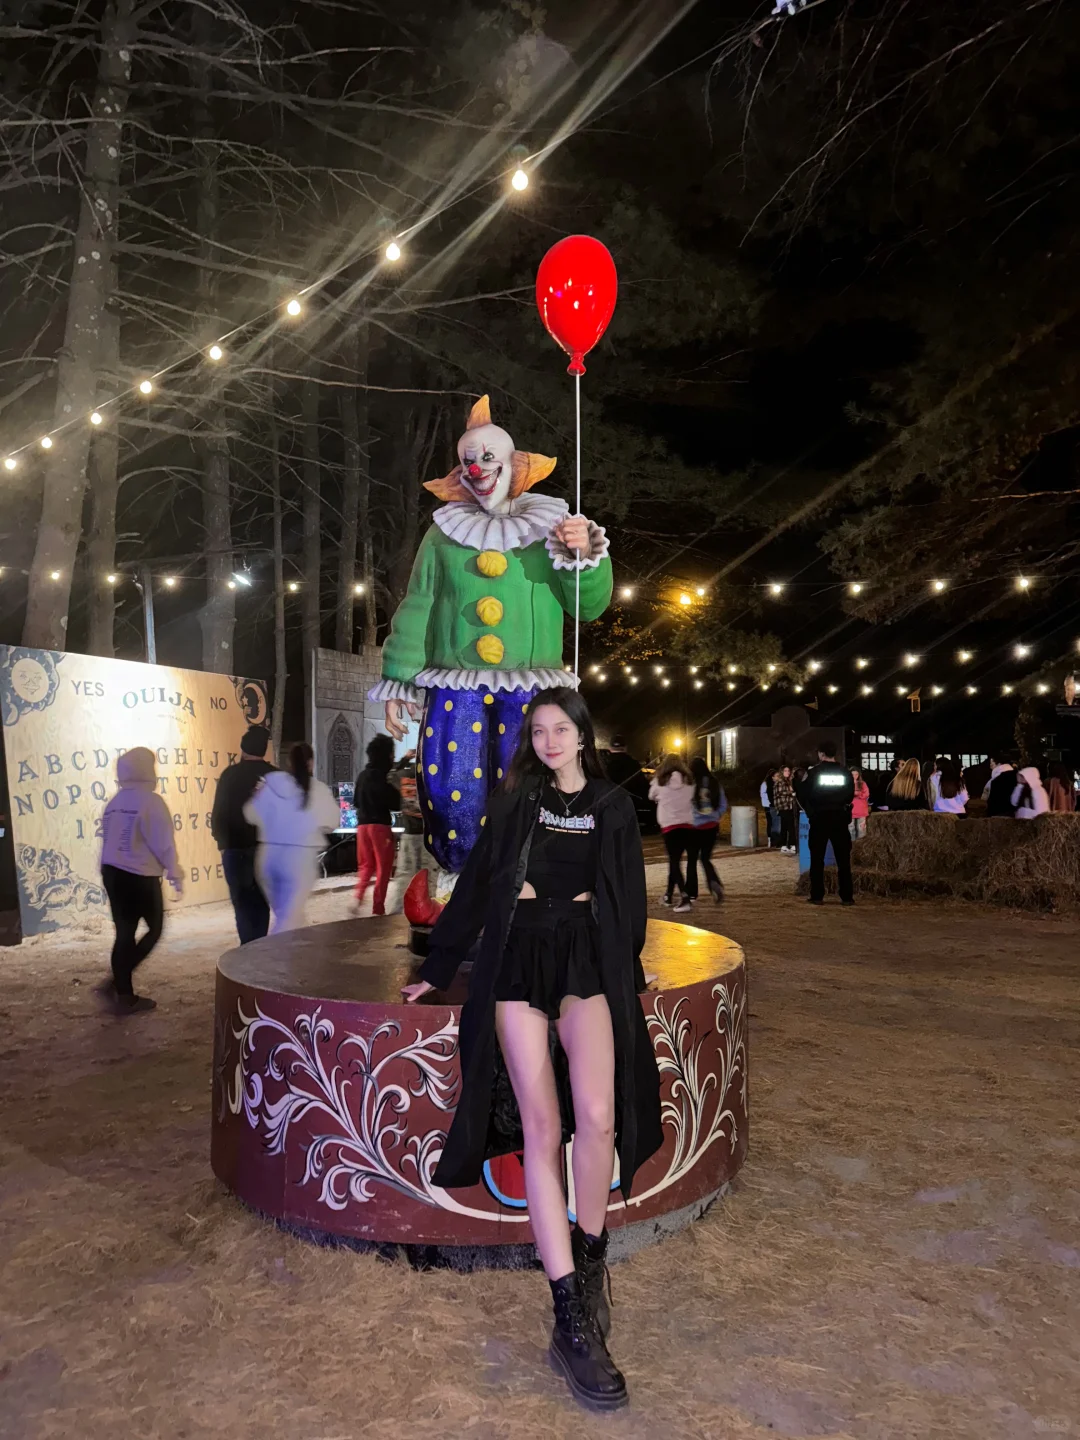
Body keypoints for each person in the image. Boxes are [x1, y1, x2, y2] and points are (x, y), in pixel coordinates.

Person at [400, 687, 662, 1411]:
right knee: (542, 1128)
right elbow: (483, 880)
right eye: (537, 730)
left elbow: (627, 899)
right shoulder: (517, 799)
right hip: (517, 958)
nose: (548, 741)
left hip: (583, 959)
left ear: (583, 735)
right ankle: (568, 1315)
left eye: (560, 729)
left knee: (599, 1117)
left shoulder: (610, 805)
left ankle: (590, 1256)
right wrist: (438, 965)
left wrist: (627, 969)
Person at [99, 747, 184, 1013]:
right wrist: (175, 873)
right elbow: (163, 843)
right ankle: (116, 982)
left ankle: (123, 993)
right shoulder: (151, 801)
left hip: (112, 872)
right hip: (140, 875)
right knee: (155, 928)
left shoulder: (114, 803)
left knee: (124, 932)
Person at [244, 743, 340, 933]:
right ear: (310, 763)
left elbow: (250, 814)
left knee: (285, 916)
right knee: (288, 920)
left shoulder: (271, 782)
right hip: (299, 859)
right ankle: (271, 958)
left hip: (268, 856)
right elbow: (333, 821)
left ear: (289, 762)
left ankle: (287, 956)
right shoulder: (318, 789)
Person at [211, 724, 275, 944]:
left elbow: (218, 814)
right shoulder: (276, 776)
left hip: (235, 849)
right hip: (267, 851)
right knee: (261, 904)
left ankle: (247, 948)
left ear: (242, 747)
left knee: (242, 905)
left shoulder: (229, 775)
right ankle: (258, 947)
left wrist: (222, 843)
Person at [795, 742, 855, 906]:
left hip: (819, 819)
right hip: (840, 819)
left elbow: (802, 794)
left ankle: (817, 895)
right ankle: (847, 896)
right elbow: (850, 795)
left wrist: (811, 812)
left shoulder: (813, 772)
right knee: (843, 860)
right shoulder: (845, 772)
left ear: (821, 754)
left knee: (817, 858)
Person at [353, 734, 401, 917]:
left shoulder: (363, 776)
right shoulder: (382, 778)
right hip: (380, 827)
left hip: (361, 827)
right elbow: (395, 803)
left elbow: (356, 801)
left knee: (366, 865)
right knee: (384, 868)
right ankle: (377, 908)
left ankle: (357, 897)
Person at [649, 754, 696, 913]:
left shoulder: (660, 781)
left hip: (669, 826)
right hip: (687, 825)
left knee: (674, 862)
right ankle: (668, 895)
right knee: (674, 861)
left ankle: (684, 897)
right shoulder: (689, 781)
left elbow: (651, 795)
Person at [688, 755, 727, 902]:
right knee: (705, 858)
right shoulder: (715, 783)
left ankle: (691, 893)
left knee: (692, 860)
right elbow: (723, 805)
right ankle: (714, 882)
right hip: (711, 826)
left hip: (694, 827)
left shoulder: (691, 785)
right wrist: (714, 815)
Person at [600, 734, 651, 829]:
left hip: (606, 808)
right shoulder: (633, 764)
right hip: (629, 806)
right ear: (625, 747)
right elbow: (642, 786)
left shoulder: (602, 764)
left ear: (610, 747)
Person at [772, 765, 798, 853]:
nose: (787, 772)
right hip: (784, 806)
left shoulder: (787, 781)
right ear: (782, 772)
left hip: (788, 806)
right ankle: (791, 844)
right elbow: (780, 792)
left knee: (785, 826)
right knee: (790, 826)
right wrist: (791, 793)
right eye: (785, 771)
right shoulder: (780, 782)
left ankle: (784, 845)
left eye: (788, 771)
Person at [759, 767, 780, 848]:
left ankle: (774, 839)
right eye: (777, 776)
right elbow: (763, 794)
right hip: (768, 805)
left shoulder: (775, 784)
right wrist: (771, 800)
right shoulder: (765, 784)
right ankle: (770, 839)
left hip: (774, 805)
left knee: (775, 822)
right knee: (770, 822)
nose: (778, 777)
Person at [849, 766, 871, 839]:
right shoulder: (847, 784)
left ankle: (861, 846)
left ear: (859, 775)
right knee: (850, 829)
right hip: (850, 810)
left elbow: (867, 794)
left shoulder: (862, 784)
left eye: (856, 774)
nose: (854, 776)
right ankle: (852, 846)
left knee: (861, 829)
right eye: (852, 774)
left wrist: (858, 794)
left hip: (861, 810)